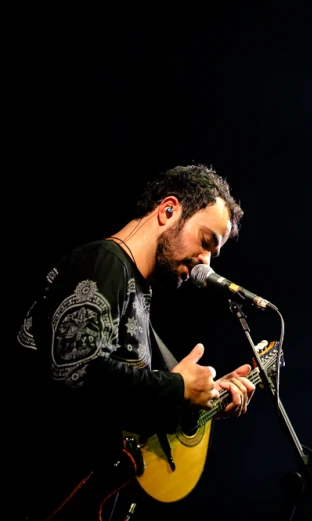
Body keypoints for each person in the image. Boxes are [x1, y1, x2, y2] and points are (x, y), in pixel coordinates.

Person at [13, 164, 257, 520]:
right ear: (168, 210)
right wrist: (177, 388)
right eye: (206, 242)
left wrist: (202, 399)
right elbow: (75, 369)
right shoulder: (104, 262)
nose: (206, 262)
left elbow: (123, 399)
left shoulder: (138, 293)